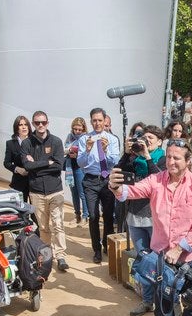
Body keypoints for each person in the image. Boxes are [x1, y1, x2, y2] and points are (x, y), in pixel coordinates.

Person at [109, 141, 192, 316]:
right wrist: (116, 187)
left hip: (190, 257)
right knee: (162, 300)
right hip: (160, 255)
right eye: (169, 157)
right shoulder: (156, 180)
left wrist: (179, 248)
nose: (171, 162)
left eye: (177, 158)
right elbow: (132, 190)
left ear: (188, 161)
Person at [124, 125, 166, 316]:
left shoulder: (164, 158)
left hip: (155, 218)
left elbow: (160, 179)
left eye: (151, 137)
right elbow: (119, 173)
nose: (146, 140)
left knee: (161, 262)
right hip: (135, 215)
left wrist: (148, 156)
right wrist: (127, 154)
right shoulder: (134, 157)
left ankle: (167, 301)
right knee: (143, 261)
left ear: (159, 141)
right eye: (144, 137)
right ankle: (148, 301)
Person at [21, 111, 68, 272]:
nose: (40, 125)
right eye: (37, 122)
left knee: (58, 224)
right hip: (37, 192)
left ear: (48, 122)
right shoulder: (27, 143)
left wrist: (38, 165)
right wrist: (47, 162)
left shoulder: (56, 142)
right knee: (43, 227)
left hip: (55, 190)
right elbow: (27, 167)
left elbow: (59, 165)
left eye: (43, 122)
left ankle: (61, 256)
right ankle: (47, 255)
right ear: (33, 124)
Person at [76, 107, 121, 264]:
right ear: (91, 121)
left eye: (100, 120)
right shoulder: (84, 139)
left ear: (105, 121)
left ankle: (106, 245)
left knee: (108, 215)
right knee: (93, 216)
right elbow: (80, 163)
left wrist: (106, 150)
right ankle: (96, 249)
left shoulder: (112, 139)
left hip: (107, 179)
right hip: (90, 180)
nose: (97, 123)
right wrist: (87, 150)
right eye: (94, 120)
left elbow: (114, 162)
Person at [64, 117, 89, 223]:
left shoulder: (86, 138)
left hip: (80, 168)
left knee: (82, 193)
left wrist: (78, 155)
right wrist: (69, 150)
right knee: (74, 193)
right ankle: (77, 215)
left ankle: (85, 216)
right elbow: (64, 149)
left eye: (80, 129)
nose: (77, 131)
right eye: (75, 129)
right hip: (70, 167)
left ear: (83, 129)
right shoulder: (70, 137)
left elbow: (88, 153)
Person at [3, 115, 31, 199]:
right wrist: (17, 169)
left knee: (35, 210)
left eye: (26, 125)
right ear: (16, 128)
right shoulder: (10, 144)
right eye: (20, 125)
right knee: (21, 209)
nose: (24, 127)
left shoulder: (35, 142)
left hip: (34, 182)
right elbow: (6, 163)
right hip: (19, 182)